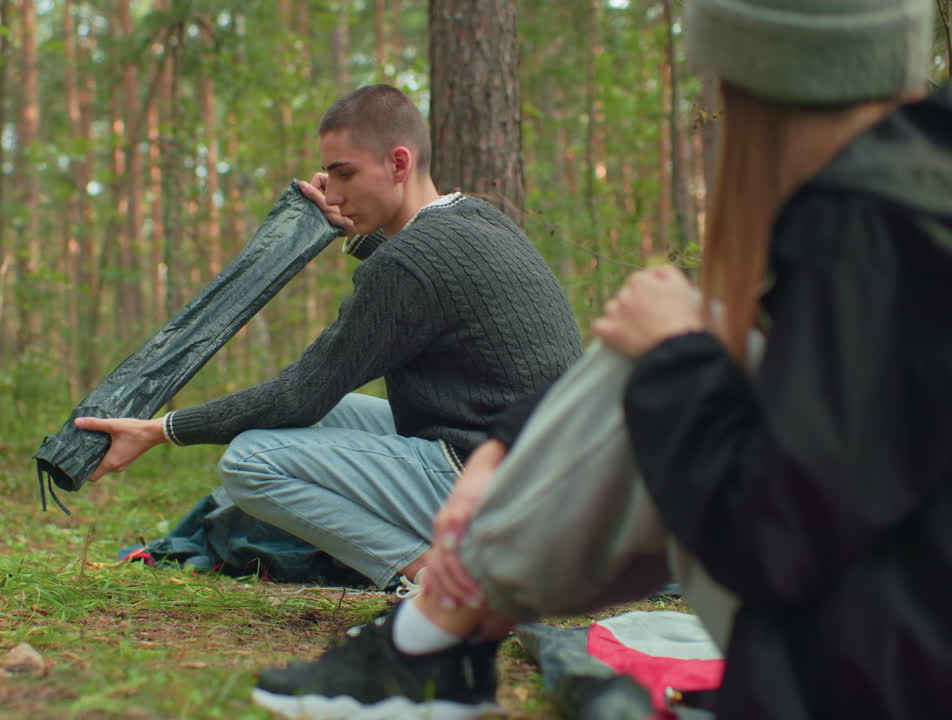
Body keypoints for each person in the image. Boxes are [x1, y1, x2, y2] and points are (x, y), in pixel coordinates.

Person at [252, 1, 952, 718]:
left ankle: (432, 632)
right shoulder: (911, 182)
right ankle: (435, 633)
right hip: (872, 625)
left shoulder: (871, 232)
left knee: (251, 461)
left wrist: (676, 356)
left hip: (873, 672)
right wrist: (504, 442)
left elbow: (779, 537)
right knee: (682, 329)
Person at [74, 84, 583, 591]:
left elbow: (300, 393)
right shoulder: (475, 216)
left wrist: (161, 429)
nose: (332, 192)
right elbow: (425, 282)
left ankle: (434, 575)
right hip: (555, 490)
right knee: (334, 412)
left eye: (345, 174)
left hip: (501, 493)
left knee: (250, 462)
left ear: (398, 164)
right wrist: (351, 230)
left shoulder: (407, 265)